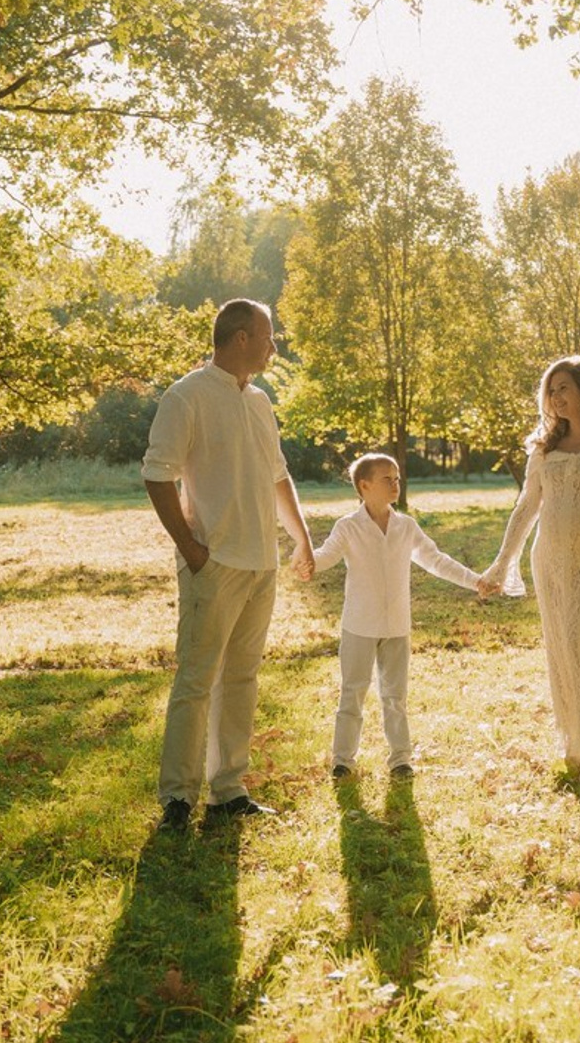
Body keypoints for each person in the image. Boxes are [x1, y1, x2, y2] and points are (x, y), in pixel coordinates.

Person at [142, 299, 314, 832]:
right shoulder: (186, 396)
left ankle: (229, 789)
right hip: (214, 565)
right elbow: (157, 474)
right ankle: (178, 798)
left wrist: (302, 538)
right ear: (240, 338)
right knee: (197, 678)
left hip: (262, 564)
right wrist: (192, 551)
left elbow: (277, 476)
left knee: (241, 677)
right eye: (268, 335)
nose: (273, 345)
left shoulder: (260, 402)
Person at [480, 356, 580, 778]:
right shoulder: (544, 446)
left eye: (564, 388)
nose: (556, 397)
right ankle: (575, 738)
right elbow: (527, 507)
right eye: (551, 390)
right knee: (561, 651)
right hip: (549, 561)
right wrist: (501, 563)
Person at [307, 452, 482, 780]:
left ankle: (400, 759)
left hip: (397, 626)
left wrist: (475, 581)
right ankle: (343, 760)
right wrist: (306, 561)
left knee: (395, 696)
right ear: (364, 486)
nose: (395, 484)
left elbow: (437, 560)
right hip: (359, 625)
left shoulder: (405, 526)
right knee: (352, 693)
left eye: (397, 478)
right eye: (387, 479)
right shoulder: (348, 527)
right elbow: (325, 555)